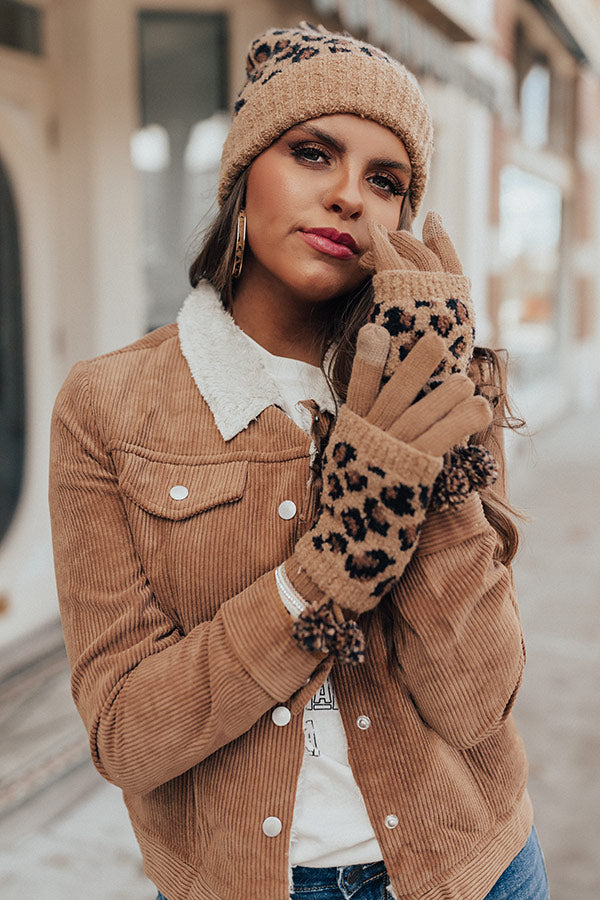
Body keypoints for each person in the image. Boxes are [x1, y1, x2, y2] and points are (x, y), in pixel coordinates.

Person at [49, 22, 550, 900]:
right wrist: (322, 580)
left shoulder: (436, 376)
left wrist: (421, 470)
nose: (350, 197)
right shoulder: (107, 407)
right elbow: (127, 735)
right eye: (313, 152)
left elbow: (473, 703)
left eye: (386, 181)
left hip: (471, 870)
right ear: (245, 179)